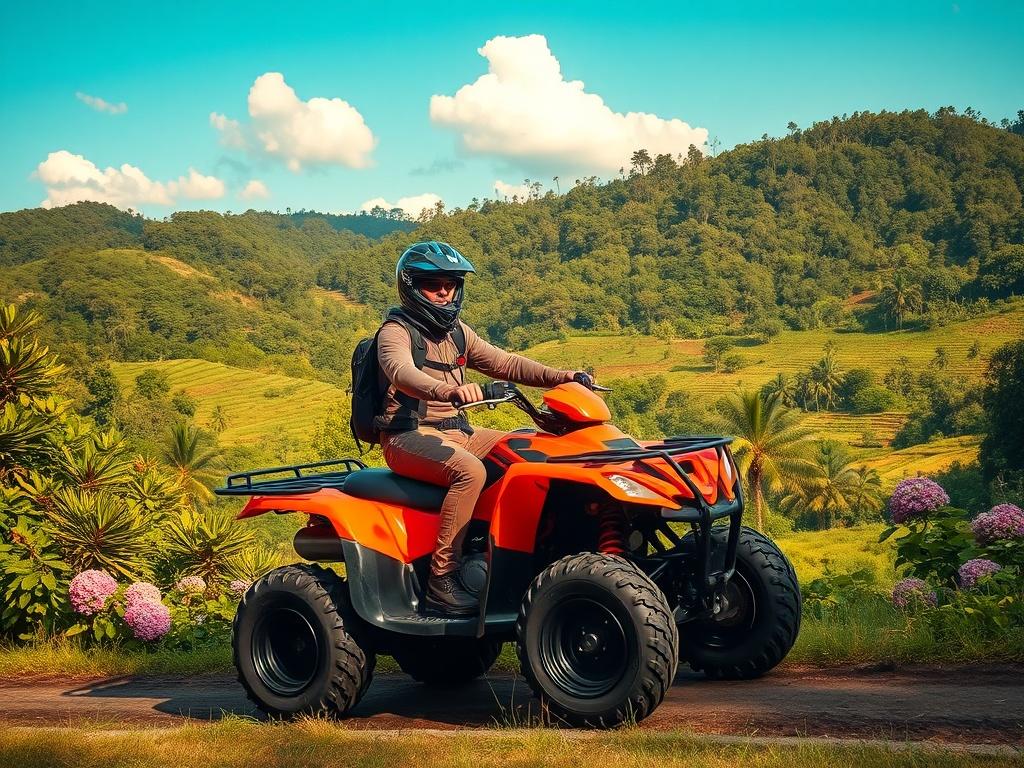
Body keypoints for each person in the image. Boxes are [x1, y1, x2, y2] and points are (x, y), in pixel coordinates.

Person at [376, 241, 589, 616]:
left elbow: (504, 363)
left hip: (460, 432)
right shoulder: (396, 332)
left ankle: (521, 552)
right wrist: (447, 390)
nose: (444, 291)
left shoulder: (458, 333)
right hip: (408, 436)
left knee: (529, 447)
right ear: (411, 286)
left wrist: (565, 377)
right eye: (433, 283)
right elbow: (401, 372)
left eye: (451, 283)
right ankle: (442, 579)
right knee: (469, 472)